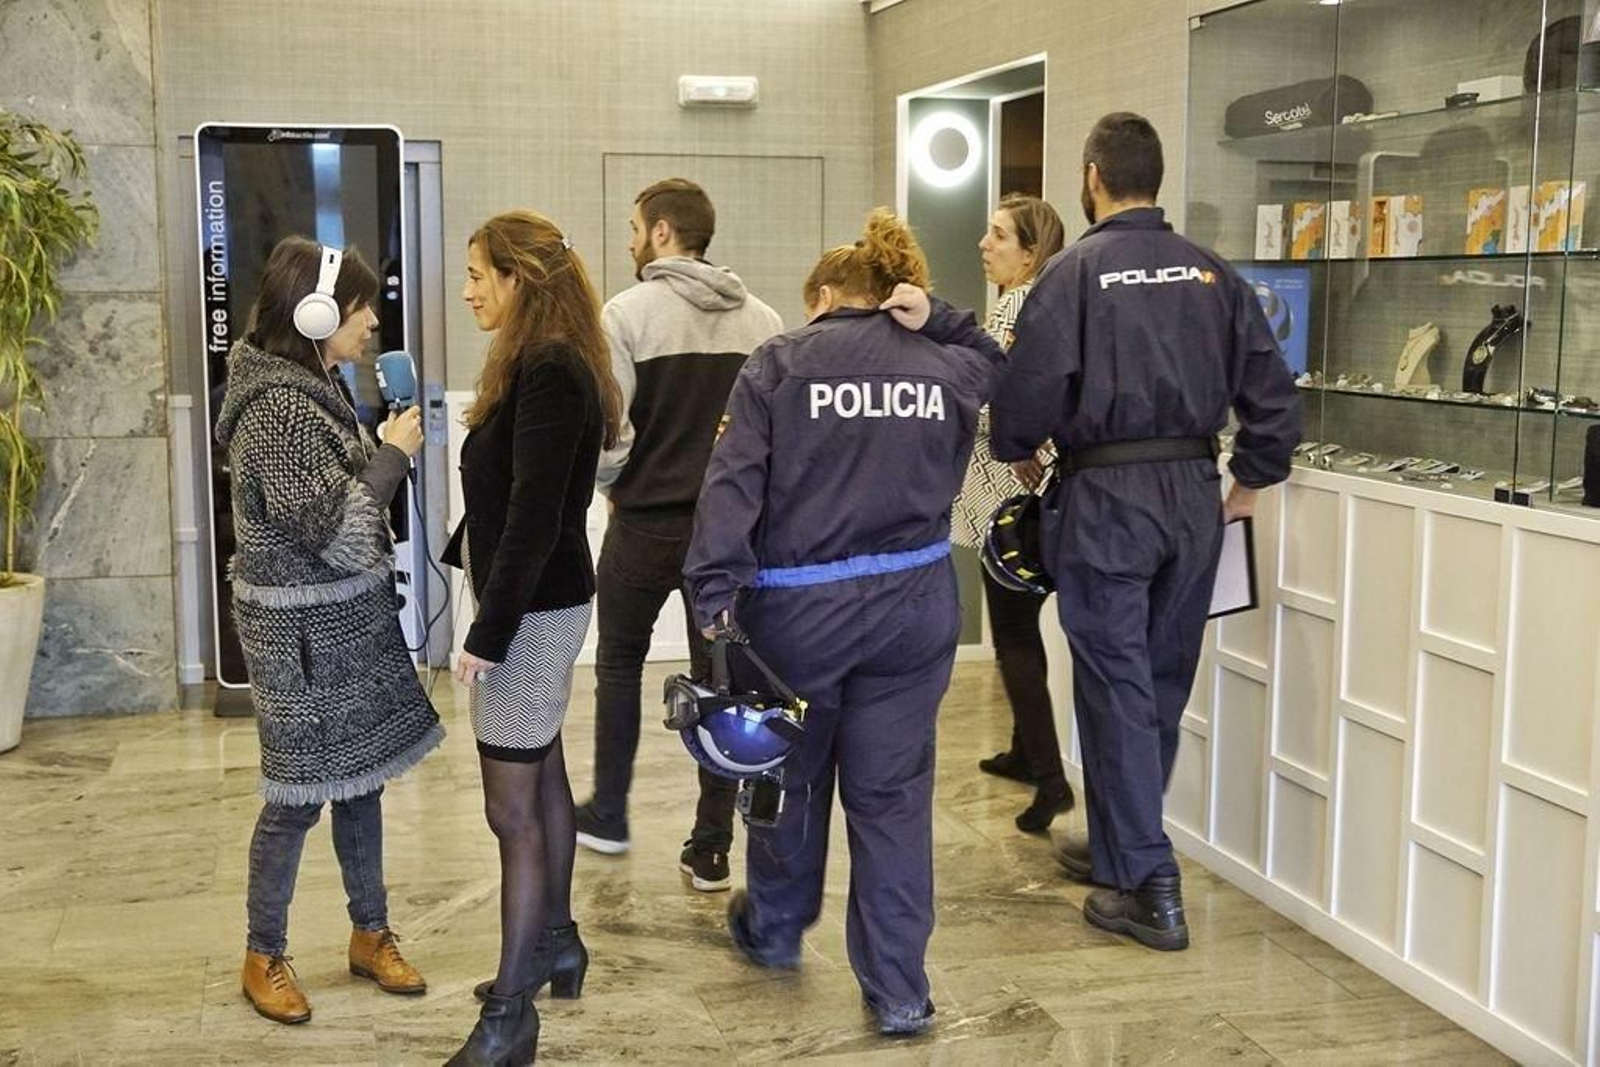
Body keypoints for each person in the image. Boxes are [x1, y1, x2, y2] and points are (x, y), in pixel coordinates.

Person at [683, 210, 1004, 1037]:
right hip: (916, 604)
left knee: (790, 774)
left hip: (798, 613)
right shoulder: (946, 362)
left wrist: (713, 590)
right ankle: (899, 988)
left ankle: (777, 927)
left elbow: (733, 485)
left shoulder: (781, 364)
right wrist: (938, 314)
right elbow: (1006, 364)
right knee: (893, 798)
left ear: (826, 295)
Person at [991, 113, 1302, 951]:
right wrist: (1251, 479)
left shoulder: (1076, 272)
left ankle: (1147, 880)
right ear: (1155, 178)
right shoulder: (1213, 273)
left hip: (1107, 498)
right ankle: (1121, 841)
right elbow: (1275, 394)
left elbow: (1027, 393)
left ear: (1093, 177)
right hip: (1194, 495)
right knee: (1159, 681)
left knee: (1115, 683)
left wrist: (1017, 448)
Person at [215, 236, 440, 1026]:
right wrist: (392, 457)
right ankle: (261, 951)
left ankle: (369, 932)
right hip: (300, 636)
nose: (373, 322)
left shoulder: (315, 381)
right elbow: (337, 530)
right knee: (297, 796)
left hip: (344, 621)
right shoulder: (275, 407)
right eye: (359, 308)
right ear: (313, 314)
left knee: (362, 777)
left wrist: (381, 447)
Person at [440, 211, 622, 1066]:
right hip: (540, 603)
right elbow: (507, 500)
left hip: (535, 611)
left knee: (507, 808)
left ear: (520, 278)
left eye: (480, 273)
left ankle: (511, 1014)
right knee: (540, 775)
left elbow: (536, 518)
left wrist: (488, 631)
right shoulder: (540, 362)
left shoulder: (550, 369)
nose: (470, 288)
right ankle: (555, 942)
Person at [574, 178, 783, 892]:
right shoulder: (765, 321)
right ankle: (712, 844)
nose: (629, 239)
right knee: (723, 681)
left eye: (635, 227)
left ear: (663, 232)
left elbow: (611, 431)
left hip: (643, 525)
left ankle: (607, 810)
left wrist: (617, 485)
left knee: (617, 667)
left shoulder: (624, 314)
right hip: (729, 537)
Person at [953, 194, 1074, 832]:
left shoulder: (1019, 308)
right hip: (1015, 488)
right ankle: (1027, 753)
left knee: (1015, 639)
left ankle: (1051, 780)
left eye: (998, 234)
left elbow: (996, 401)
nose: (984, 242)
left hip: (1010, 497)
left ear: (1031, 252)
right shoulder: (1034, 303)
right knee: (1019, 633)